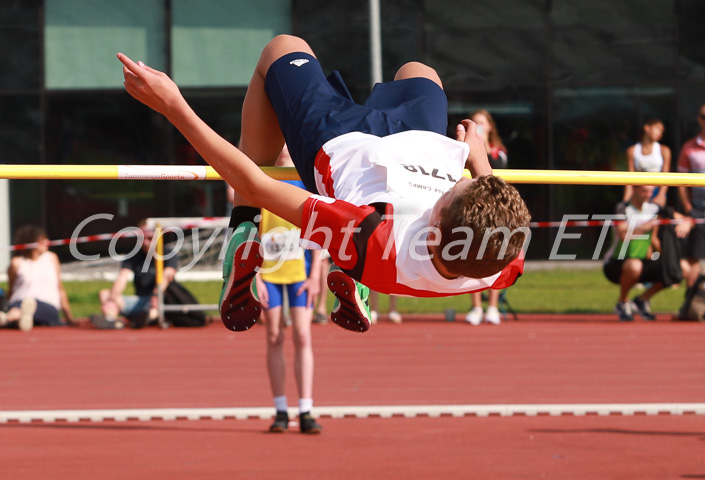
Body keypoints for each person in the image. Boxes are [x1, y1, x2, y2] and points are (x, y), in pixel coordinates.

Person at [117, 34, 531, 335]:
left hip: (342, 140)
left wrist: (174, 106)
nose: (455, 182)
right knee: (419, 73)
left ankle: (243, 228)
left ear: (436, 226)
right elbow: (500, 210)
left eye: (451, 189)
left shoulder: (374, 237)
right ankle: (352, 274)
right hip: (418, 141)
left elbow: (257, 184)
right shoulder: (503, 260)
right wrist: (480, 163)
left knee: (281, 48)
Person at [252, 147, 323, 434]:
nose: (282, 151)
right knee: (273, 335)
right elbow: (250, 229)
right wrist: (254, 275)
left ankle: (306, 409)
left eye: (286, 144)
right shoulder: (262, 181)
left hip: (300, 271)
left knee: (303, 335)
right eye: (277, 144)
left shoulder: (306, 182)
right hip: (269, 272)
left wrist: (316, 273)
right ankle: (281, 409)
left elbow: (320, 229)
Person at [603, 185, 692, 321]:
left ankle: (642, 299)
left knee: (682, 267)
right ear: (634, 189)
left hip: (645, 262)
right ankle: (622, 302)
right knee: (635, 265)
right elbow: (623, 234)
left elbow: (686, 219)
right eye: (644, 191)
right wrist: (647, 226)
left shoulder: (653, 208)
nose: (648, 195)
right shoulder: (623, 208)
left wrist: (687, 223)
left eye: (651, 191)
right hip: (617, 262)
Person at [465, 109, 508, 326]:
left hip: (495, 209)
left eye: (483, 123)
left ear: (490, 126)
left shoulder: (499, 152)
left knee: (495, 255)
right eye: (476, 123)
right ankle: (476, 307)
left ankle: (492, 307)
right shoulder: (464, 148)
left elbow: (498, 170)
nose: (480, 126)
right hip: (474, 208)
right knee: (471, 255)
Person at [93, 219, 178, 329]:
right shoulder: (134, 255)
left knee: (155, 306)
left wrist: (156, 295)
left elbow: (167, 276)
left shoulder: (168, 253)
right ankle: (111, 319)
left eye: (149, 238)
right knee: (105, 294)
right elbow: (122, 277)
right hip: (139, 301)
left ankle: (147, 318)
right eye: (142, 238)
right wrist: (112, 300)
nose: (145, 242)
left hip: (160, 300)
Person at [0, 225, 76, 331]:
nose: (47, 242)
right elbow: (12, 289)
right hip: (20, 301)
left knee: (31, 309)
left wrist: (68, 316)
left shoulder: (51, 258)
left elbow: (60, 288)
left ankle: (9, 318)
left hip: (46, 303)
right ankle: (21, 317)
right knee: (23, 307)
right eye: (42, 240)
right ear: (31, 242)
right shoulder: (16, 262)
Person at [677, 100, 705, 287]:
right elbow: (680, 182)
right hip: (699, 209)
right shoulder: (689, 147)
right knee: (694, 257)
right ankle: (691, 304)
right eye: (704, 116)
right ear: (699, 119)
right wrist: (688, 208)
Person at [623, 118, 672, 206]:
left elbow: (666, 177)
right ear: (647, 128)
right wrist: (626, 200)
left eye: (661, 131)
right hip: (639, 194)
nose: (659, 133)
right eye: (657, 128)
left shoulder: (664, 150)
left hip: (656, 192)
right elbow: (629, 178)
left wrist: (661, 195)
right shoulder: (632, 150)